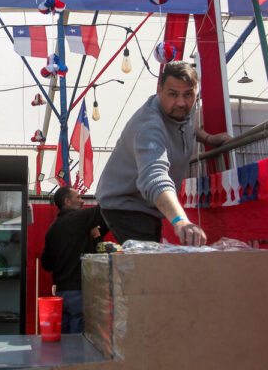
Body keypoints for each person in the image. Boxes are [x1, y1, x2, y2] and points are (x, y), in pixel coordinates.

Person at [97, 61, 231, 247]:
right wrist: (180, 221)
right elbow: (154, 176)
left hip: (149, 206)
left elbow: (189, 125)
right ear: (159, 90)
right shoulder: (149, 126)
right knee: (149, 266)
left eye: (188, 94)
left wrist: (208, 138)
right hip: (127, 205)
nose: (181, 102)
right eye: (173, 94)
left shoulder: (183, 109)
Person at [41, 186, 108, 334]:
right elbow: (105, 210)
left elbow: (46, 264)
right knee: (79, 344)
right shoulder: (79, 218)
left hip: (60, 295)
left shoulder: (52, 230)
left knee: (64, 343)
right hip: (79, 292)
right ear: (67, 201)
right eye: (78, 197)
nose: (82, 201)